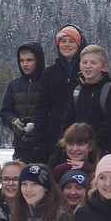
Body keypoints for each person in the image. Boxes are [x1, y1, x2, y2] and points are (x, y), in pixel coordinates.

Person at [62, 45, 111, 156]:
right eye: (85, 62)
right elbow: (68, 120)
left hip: (105, 150)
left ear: (104, 67)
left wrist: (91, 144)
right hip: (79, 152)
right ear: (79, 65)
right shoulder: (77, 91)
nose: (88, 66)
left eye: (93, 63)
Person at [35, 24, 87, 158]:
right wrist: (39, 140)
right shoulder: (49, 73)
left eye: (71, 41)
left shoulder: (87, 71)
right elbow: (42, 108)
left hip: (82, 137)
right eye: (63, 41)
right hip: (54, 137)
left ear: (79, 44)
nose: (67, 45)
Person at [0, 42, 46, 164]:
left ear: (38, 60)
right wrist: (13, 121)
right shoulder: (14, 85)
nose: (25, 64)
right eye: (22, 61)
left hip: (44, 145)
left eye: (29, 60)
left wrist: (37, 125)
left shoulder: (48, 81)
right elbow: (5, 111)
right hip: (21, 146)